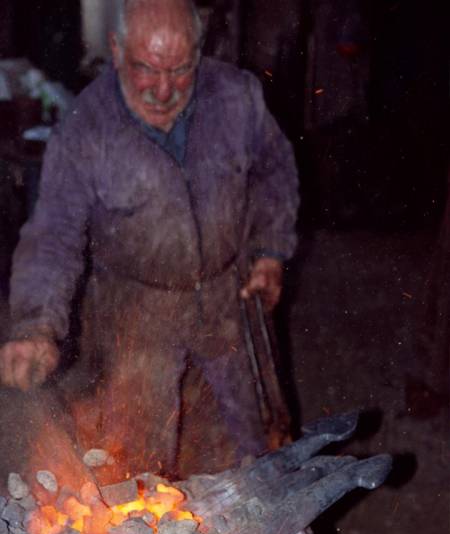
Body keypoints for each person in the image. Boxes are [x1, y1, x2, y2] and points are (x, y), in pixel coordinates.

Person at [0, 0, 299, 481]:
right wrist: (37, 324)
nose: (164, 89)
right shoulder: (84, 128)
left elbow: (275, 170)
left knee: (251, 448)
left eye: (181, 70)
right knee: (138, 467)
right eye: (146, 69)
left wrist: (269, 249)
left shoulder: (238, 97)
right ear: (117, 51)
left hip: (229, 300)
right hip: (135, 316)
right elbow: (53, 234)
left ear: (200, 53)